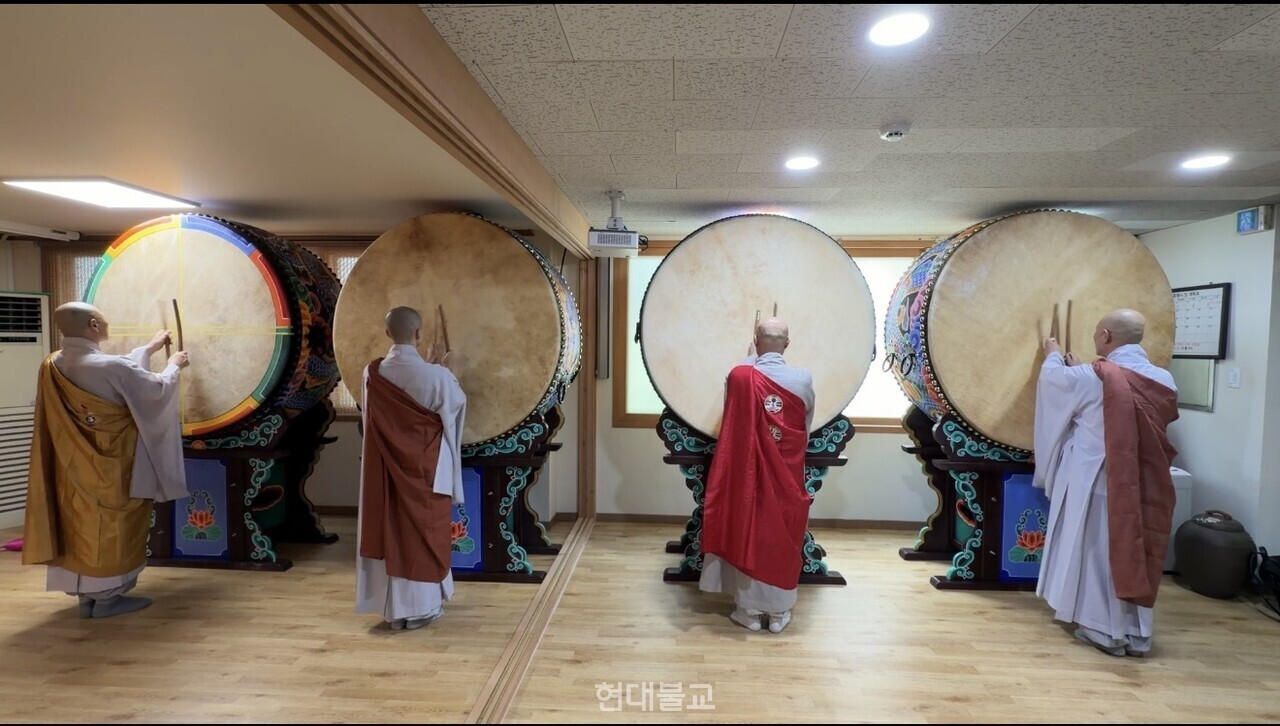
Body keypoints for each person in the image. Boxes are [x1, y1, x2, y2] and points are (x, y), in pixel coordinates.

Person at [24, 302, 189, 618]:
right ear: (94, 326)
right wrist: (173, 365)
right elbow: (153, 389)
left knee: (77, 523)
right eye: (103, 319)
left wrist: (149, 347)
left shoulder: (52, 364)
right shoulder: (111, 367)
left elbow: (118, 369)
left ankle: (86, 598)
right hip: (115, 465)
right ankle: (108, 599)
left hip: (71, 465)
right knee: (112, 526)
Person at [1033, 308, 1179, 657]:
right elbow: (1109, 387)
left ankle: (1106, 631)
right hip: (1143, 479)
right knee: (1136, 549)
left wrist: (1052, 356)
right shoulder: (1162, 378)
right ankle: (1137, 632)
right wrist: (1085, 367)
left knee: (1100, 551)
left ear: (1106, 337)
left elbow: (1056, 385)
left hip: (1100, 478)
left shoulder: (1092, 376)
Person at [699, 317, 815, 634]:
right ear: (787, 344)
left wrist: (749, 358)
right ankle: (778, 615)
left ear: (755, 339)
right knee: (781, 533)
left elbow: (732, 410)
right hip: (786, 474)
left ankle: (748, 613)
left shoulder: (740, 375)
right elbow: (804, 425)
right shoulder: (802, 380)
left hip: (747, 471)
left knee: (748, 527)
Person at [356, 306, 466, 631]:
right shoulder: (438, 377)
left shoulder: (371, 373)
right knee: (423, 532)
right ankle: (423, 607)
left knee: (391, 528)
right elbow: (456, 407)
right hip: (426, 470)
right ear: (419, 335)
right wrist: (443, 369)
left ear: (387, 333)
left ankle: (392, 608)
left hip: (386, 467)